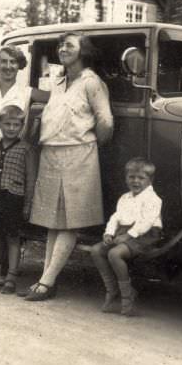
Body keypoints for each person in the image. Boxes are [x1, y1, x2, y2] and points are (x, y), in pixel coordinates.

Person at [24, 32, 114, 301]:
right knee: (53, 221)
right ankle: (46, 280)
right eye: (61, 45)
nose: (62, 49)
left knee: (69, 223)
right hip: (52, 154)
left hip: (78, 155)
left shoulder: (92, 83)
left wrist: (86, 145)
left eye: (69, 45)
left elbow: (106, 122)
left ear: (83, 51)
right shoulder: (59, 82)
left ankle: (46, 282)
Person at [0, 45, 49, 284]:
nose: (7, 66)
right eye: (3, 61)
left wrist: (38, 128)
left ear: (20, 66)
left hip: (14, 155)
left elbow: (58, 100)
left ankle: (4, 271)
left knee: (9, 219)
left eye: (13, 62)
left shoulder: (27, 92)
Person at [89, 157, 162, 316]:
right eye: (131, 177)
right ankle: (112, 290)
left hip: (145, 234)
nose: (135, 181)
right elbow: (115, 217)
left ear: (150, 180)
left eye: (141, 178)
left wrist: (127, 236)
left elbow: (146, 222)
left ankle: (127, 295)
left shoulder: (153, 199)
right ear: (126, 178)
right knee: (96, 250)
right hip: (125, 233)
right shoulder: (124, 198)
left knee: (115, 254)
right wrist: (109, 233)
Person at [0, 105, 37, 294]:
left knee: (12, 236)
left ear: (22, 126)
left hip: (13, 197)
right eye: (7, 124)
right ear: (0, 125)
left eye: (16, 125)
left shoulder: (26, 149)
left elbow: (31, 178)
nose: (11, 128)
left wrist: (27, 204)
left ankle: (11, 276)